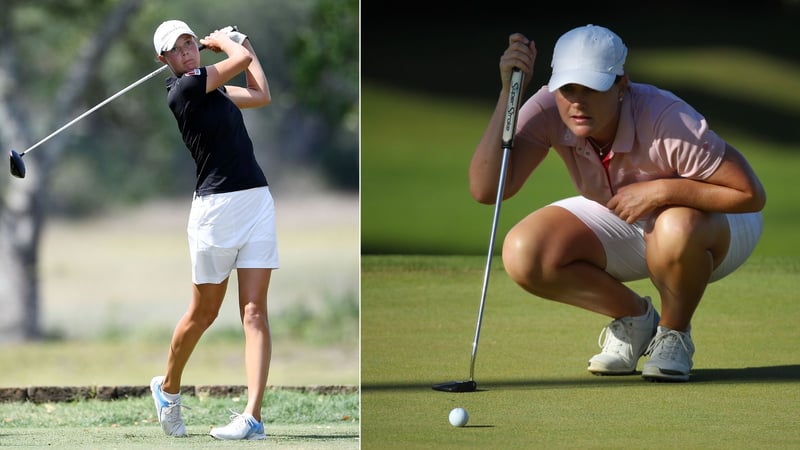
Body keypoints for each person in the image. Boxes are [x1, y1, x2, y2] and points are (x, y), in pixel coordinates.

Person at [470, 25, 765, 382]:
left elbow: (750, 194)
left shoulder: (666, 118)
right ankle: (636, 319)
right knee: (525, 251)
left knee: (674, 225)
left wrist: (662, 192)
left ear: (621, 85)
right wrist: (508, 96)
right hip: (624, 212)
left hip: (717, 222)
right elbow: (488, 189)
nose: (577, 102)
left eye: (592, 88)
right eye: (568, 88)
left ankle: (673, 334)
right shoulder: (549, 107)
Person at [148, 20, 277, 439]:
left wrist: (244, 42)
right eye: (177, 49)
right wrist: (229, 44)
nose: (187, 52)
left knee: (254, 312)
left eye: (190, 43)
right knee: (204, 313)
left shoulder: (215, 90)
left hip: (256, 200)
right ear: (163, 60)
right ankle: (168, 389)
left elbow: (261, 94)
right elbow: (238, 61)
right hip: (214, 212)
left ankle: (253, 417)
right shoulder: (183, 90)